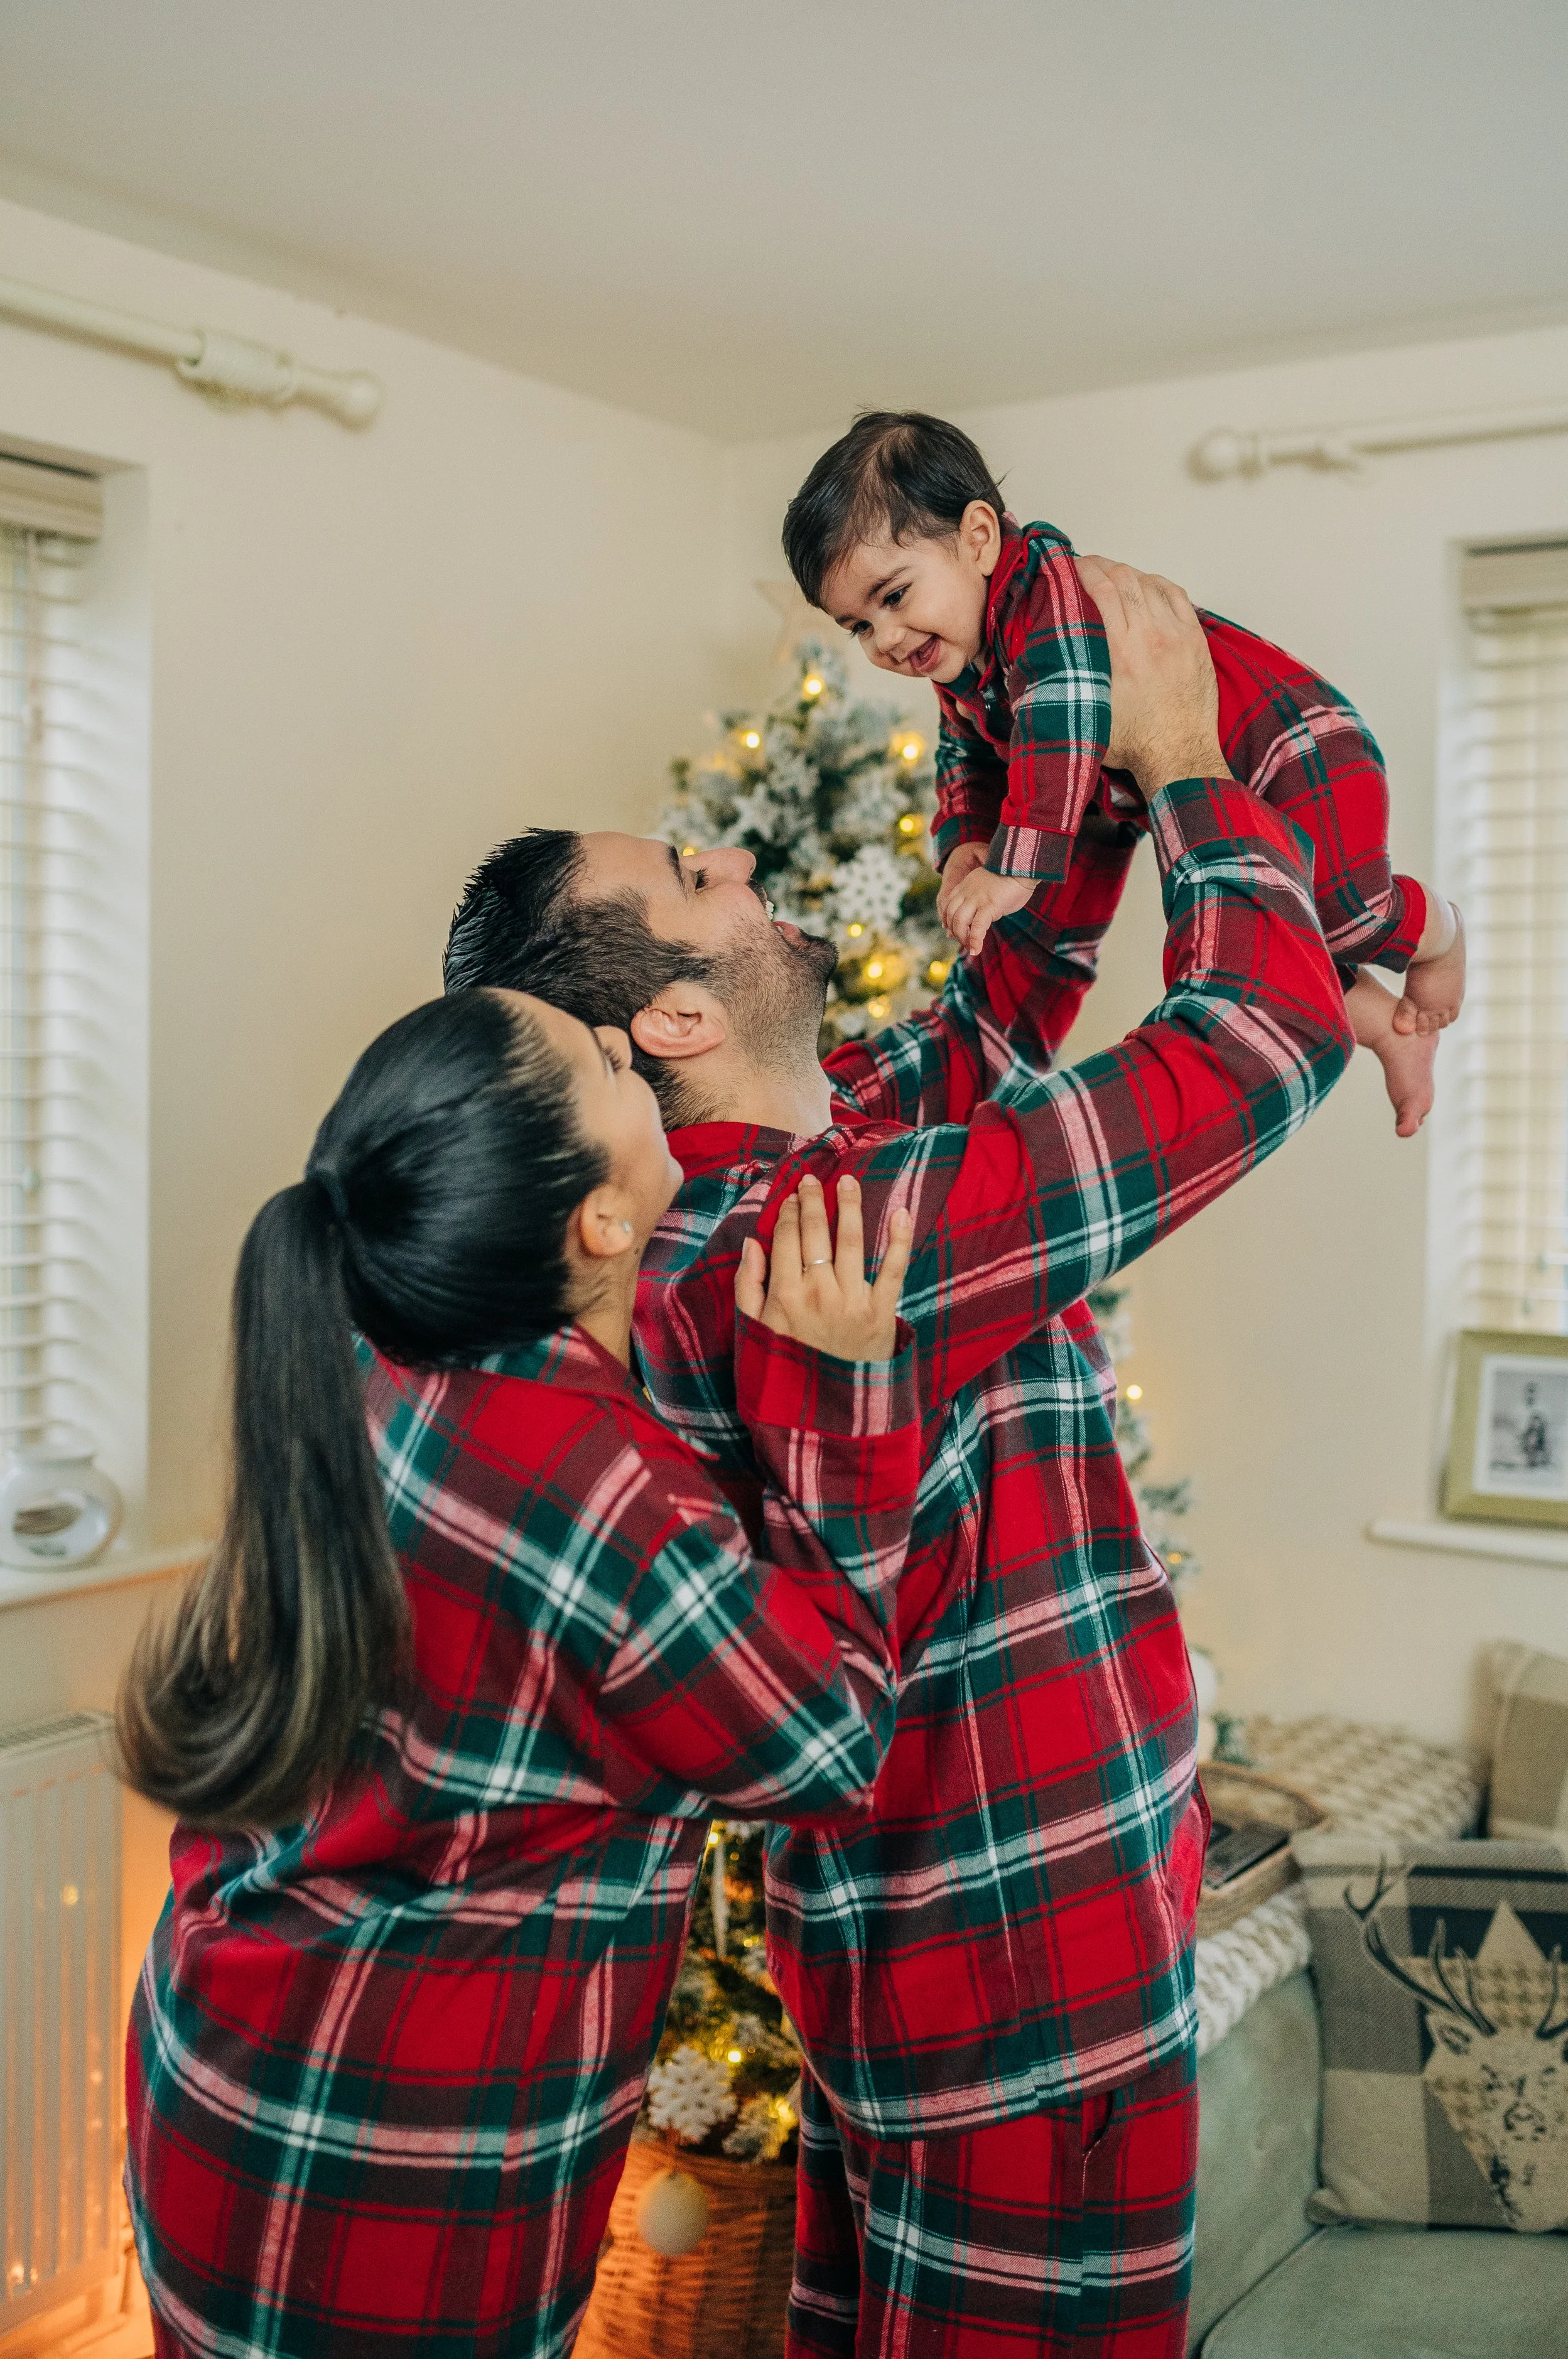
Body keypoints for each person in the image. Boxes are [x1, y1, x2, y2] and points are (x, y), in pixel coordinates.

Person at [442, 569, 1354, 2356]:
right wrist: (1181, 763)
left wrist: (1038, 761)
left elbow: (995, 1013)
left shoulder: (798, 1163)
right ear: (676, 1024)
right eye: (685, 880)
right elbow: (1259, 1038)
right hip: (1032, 1988)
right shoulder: (851, 1229)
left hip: (907, 1979)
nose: (728, 862)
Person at [116, 985, 918, 2359]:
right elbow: (831, 1743)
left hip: (225, 2068)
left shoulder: (394, 1351)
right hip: (387, 2164)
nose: (630, 1041)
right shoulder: (589, 1480)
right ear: (601, 1224)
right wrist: (840, 1402)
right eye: (603, 1059)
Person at [782, 408, 1466, 1140]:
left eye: (893, 597)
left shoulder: (1044, 593)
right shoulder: (960, 654)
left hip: (1295, 749)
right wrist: (965, 843)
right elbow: (967, 753)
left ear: (978, 538)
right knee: (1283, 939)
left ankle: (1441, 932)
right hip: (1153, 790)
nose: (884, 639)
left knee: (1343, 913)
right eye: (857, 625)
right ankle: (1389, 1030)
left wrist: (1015, 865)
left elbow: (1064, 716)